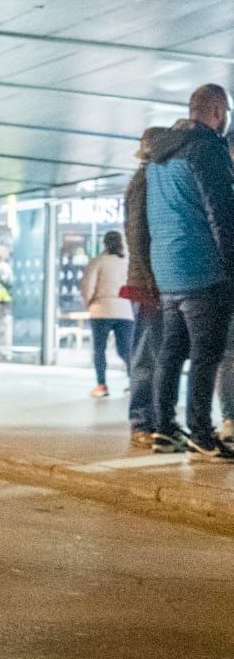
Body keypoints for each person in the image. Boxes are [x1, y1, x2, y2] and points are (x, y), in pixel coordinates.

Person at [142, 84, 234, 460]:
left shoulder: (158, 155)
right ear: (215, 110)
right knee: (206, 354)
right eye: (225, 112)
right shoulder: (207, 148)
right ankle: (201, 432)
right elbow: (221, 212)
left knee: (172, 352)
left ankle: (164, 429)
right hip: (203, 269)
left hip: (168, 270)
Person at [123, 128, 167, 449]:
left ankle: (154, 419)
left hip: (156, 281)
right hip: (148, 284)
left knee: (157, 352)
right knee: (147, 352)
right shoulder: (143, 182)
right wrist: (149, 278)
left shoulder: (155, 181)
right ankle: (141, 420)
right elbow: (136, 234)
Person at [79, 230, 133, 398]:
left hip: (101, 309)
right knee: (125, 349)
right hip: (125, 310)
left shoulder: (98, 262)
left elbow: (88, 286)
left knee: (99, 349)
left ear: (104, 243)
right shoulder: (127, 263)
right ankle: (134, 384)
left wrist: (88, 302)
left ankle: (101, 385)